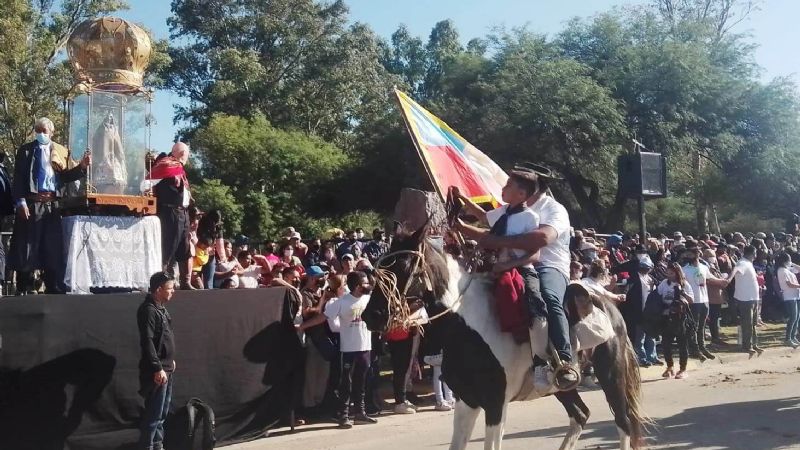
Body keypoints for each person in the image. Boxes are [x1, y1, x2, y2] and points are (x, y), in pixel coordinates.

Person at [457, 163, 575, 388]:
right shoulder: (509, 209)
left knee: (548, 298)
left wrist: (495, 242)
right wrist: (460, 211)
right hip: (510, 265)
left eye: (512, 181)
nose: (505, 184)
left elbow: (541, 240)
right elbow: (486, 219)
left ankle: (563, 360)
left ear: (532, 185)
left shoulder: (553, 209)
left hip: (548, 266)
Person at [11, 117, 91, 294]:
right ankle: (24, 285)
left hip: (52, 205)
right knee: (27, 245)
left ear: (52, 133)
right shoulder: (26, 151)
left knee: (52, 244)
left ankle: (52, 284)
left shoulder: (60, 152)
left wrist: (82, 167)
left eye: (44, 131)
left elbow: (65, 177)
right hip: (32, 203)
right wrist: (21, 202)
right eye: (38, 130)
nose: (40, 134)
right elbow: (18, 179)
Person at [298, 271, 377, 428]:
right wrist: (302, 326)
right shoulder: (341, 302)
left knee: (361, 381)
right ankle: (344, 415)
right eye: (365, 283)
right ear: (356, 285)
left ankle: (360, 412)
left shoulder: (370, 299)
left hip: (365, 347)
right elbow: (322, 317)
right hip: (348, 349)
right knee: (346, 383)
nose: (368, 285)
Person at [137, 272, 176, 450]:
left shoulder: (161, 308)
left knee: (162, 413)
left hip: (167, 368)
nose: (172, 291)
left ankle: (158, 445)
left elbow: (165, 337)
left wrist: (170, 360)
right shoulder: (148, 310)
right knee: (153, 414)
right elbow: (148, 341)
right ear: (158, 289)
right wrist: (157, 367)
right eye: (169, 288)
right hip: (157, 371)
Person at [146, 142, 193, 289]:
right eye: (186, 154)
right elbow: (150, 180)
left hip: (183, 212)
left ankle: (186, 282)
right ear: (181, 153)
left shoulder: (179, 168)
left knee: (185, 248)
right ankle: (162, 284)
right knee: (168, 248)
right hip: (169, 212)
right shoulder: (166, 163)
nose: (187, 157)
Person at [682, 248, 725, 361]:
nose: (689, 256)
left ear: (697, 255)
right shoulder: (685, 270)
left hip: (704, 300)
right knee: (693, 327)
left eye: (691, 254)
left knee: (702, 326)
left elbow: (711, 278)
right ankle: (694, 349)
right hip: (693, 301)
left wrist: (722, 281)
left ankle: (702, 347)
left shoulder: (703, 267)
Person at [657, 263, 694, 379]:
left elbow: (692, 300)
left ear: (677, 273)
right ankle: (670, 367)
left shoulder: (684, 284)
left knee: (682, 344)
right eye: (668, 273)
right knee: (666, 344)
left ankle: (683, 369)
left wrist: (682, 293)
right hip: (666, 317)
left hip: (680, 318)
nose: (669, 275)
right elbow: (657, 296)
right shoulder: (664, 283)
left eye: (671, 273)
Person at [727, 245, 763, 355]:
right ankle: (747, 346)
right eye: (755, 252)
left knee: (753, 323)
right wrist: (729, 279)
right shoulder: (742, 263)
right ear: (752, 253)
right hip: (745, 299)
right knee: (747, 323)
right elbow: (736, 269)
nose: (756, 254)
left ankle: (754, 344)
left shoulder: (749, 263)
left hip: (753, 298)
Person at [775, 252, 800, 347]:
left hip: (795, 295)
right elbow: (789, 284)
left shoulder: (788, 269)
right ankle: (788, 338)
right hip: (789, 296)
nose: (790, 261)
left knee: (797, 317)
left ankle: (793, 337)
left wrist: (792, 263)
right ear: (784, 261)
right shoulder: (781, 270)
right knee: (793, 317)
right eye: (788, 260)